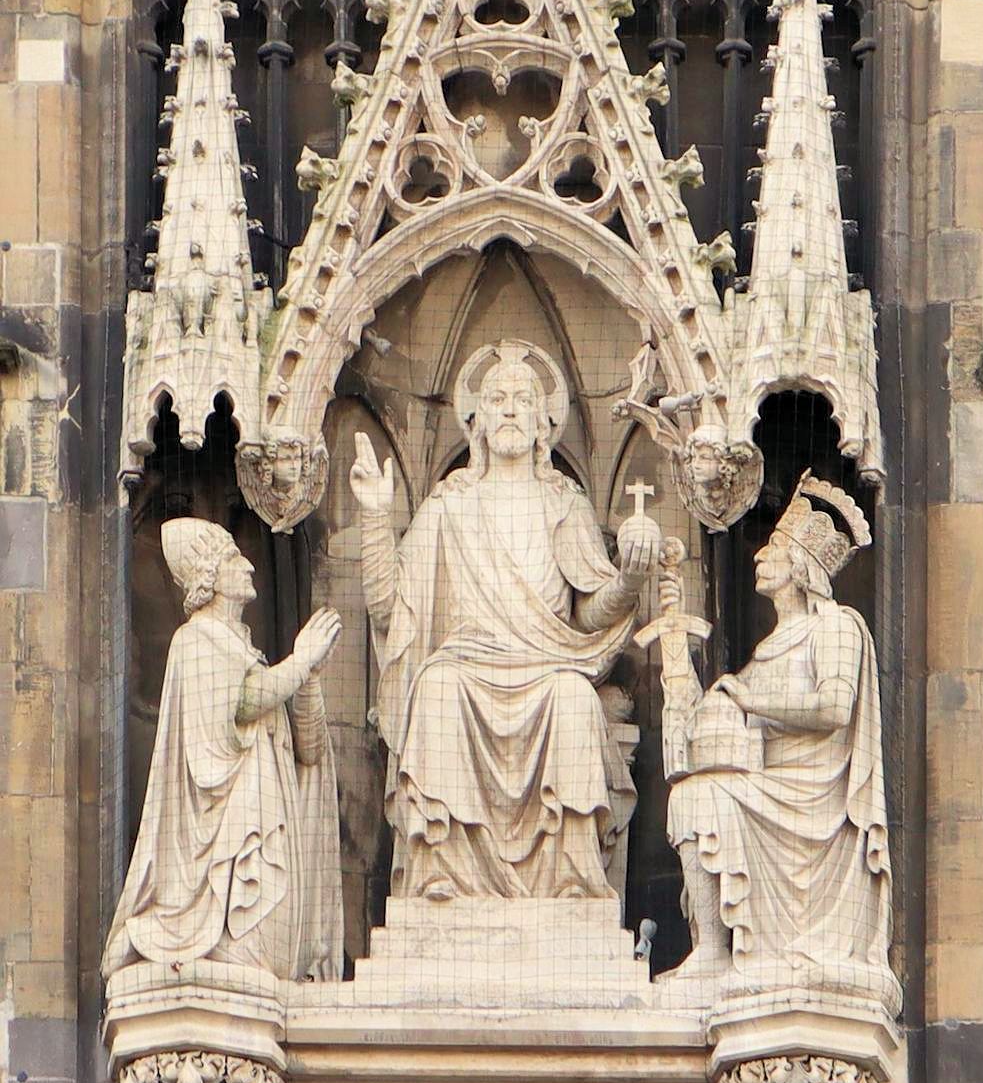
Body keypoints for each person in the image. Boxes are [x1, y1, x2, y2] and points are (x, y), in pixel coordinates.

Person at [349, 340, 658, 900]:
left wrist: (628, 580)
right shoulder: (450, 505)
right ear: (477, 422)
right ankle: (442, 874)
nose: (511, 409)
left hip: (548, 669)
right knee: (437, 689)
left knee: (573, 698)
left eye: (523, 398)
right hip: (466, 668)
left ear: (545, 422)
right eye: (497, 398)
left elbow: (589, 615)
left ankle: (571, 880)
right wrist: (375, 516)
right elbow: (392, 608)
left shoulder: (565, 502)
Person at [663, 473, 900, 1013]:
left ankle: (728, 950)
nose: (758, 557)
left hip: (813, 795)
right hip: (768, 785)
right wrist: (674, 646)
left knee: (705, 797)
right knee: (692, 795)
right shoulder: (770, 645)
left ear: (801, 566)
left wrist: (750, 702)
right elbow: (720, 731)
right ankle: (712, 952)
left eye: (771, 549)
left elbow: (833, 709)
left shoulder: (836, 627)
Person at [102, 519, 343, 982]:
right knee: (248, 957)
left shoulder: (249, 654)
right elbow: (237, 713)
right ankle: (153, 935)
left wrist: (308, 676)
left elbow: (308, 752)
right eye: (234, 558)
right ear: (211, 576)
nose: (249, 565)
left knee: (269, 960)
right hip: (225, 840)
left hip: (264, 825)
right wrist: (299, 662)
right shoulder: (195, 642)